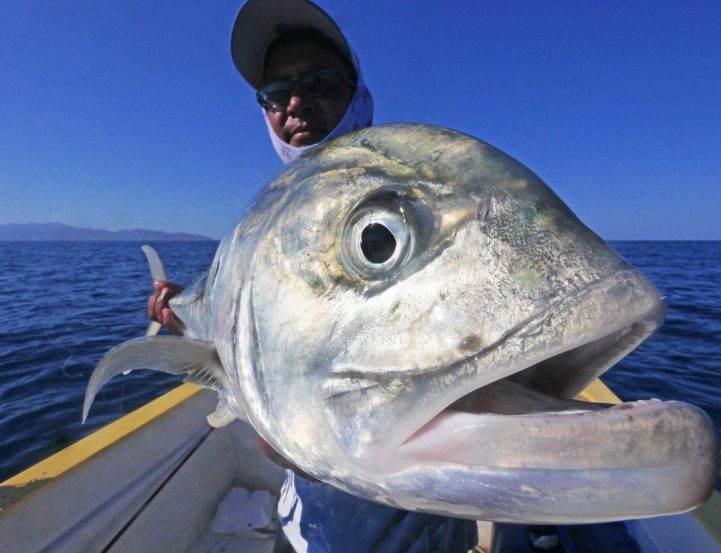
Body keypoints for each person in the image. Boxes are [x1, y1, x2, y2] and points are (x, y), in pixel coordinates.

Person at [149, 1, 479, 551]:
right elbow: (242, 340)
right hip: (309, 515)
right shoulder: (255, 229)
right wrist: (184, 316)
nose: (296, 102)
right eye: (276, 93)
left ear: (359, 96)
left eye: (321, 81)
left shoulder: (414, 186)